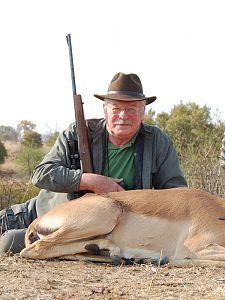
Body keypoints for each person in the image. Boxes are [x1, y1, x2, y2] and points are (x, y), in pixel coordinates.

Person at [0, 72, 187, 254]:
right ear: (105, 109)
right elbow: (41, 174)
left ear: (143, 111)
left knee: (11, 242)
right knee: (6, 241)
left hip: (100, 229)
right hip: (46, 214)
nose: (123, 115)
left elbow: (177, 194)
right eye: (116, 109)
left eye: (131, 109)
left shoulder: (157, 141)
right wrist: (88, 181)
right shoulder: (77, 133)